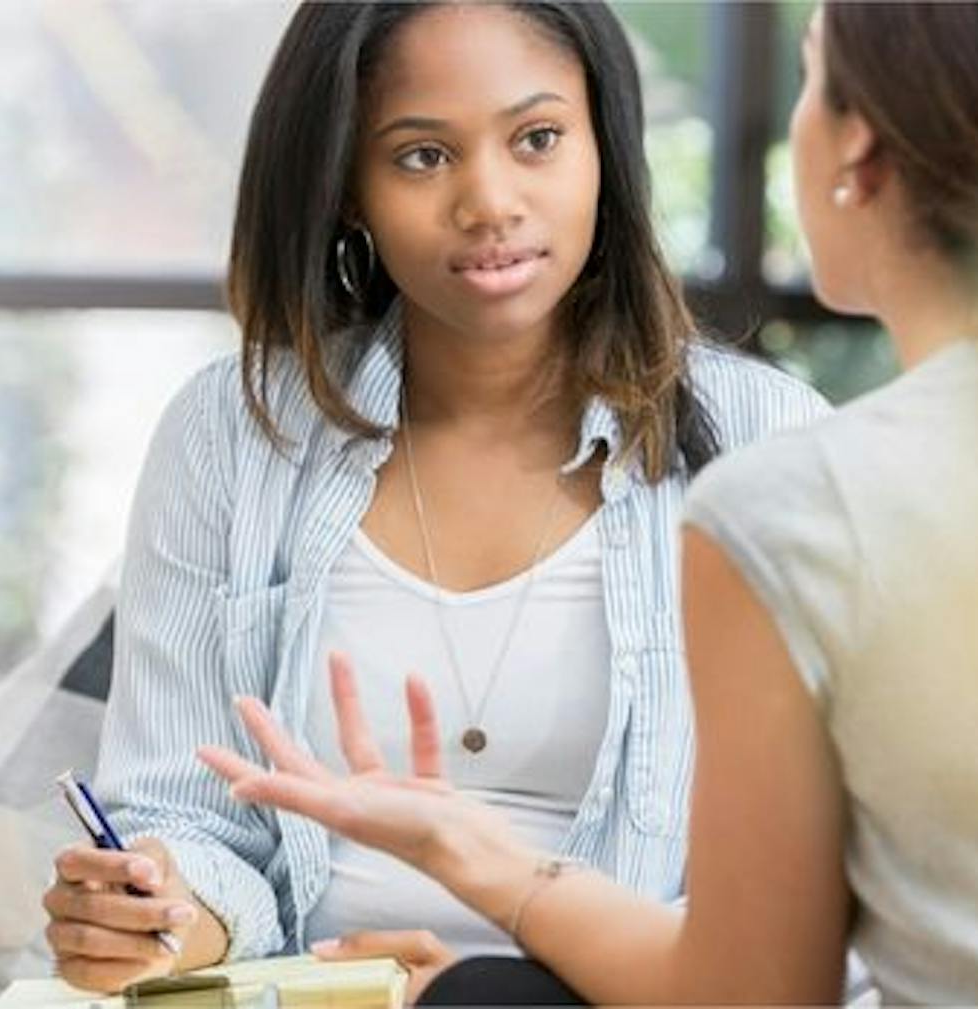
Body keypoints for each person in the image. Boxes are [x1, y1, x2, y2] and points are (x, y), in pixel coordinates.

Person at [199, 2, 978, 1003]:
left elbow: (752, 995)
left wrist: (469, 860)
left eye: (813, 75)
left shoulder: (793, 497)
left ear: (854, 152)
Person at [41, 1, 826, 996]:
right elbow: (185, 812)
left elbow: (794, 891)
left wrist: (513, 981)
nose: (489, 201)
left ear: (605, 152)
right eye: (421, 156)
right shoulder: (232, 434)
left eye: (538, 139)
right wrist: (156, 911)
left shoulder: (772, 443)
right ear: (348, 188)